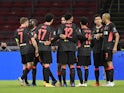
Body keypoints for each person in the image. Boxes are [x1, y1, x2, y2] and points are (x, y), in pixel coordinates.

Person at [52, 13, 79, 87]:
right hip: (71, 48)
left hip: (62, 48)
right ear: (70, 18)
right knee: (71, 66)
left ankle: (64, 83)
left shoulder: (61, 26)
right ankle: (72, 83)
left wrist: (51, 42)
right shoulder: (74, 26)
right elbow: (76, 38)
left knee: (63, 66)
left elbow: (58, 36)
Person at [34, 13, 57, 87]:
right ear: (52, 20)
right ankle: (46, 82)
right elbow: (52, 39)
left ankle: (45, 82)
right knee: (47, 65)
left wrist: (39, 44)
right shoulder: (50, 29)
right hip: (46, 48)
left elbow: (34, 37)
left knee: (44, 65)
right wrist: (50, 43)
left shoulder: (40, 26)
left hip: (40, 47)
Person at [101, 13, 120, 87]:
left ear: (105, 17)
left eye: (102, 17)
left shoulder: (111, 25)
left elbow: (117, 35)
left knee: (109, 63)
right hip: (104, 47)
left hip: (109, 47)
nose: (102, 19)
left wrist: (115, 46)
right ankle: (108, 81)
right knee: (105, 64)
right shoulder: (105, 26)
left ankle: (112, 82)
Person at [76, 17, 92, 87]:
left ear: (80, 23)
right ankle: (85, 82)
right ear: (87, 23)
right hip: (88, 49)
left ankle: (81, 82)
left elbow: (79, 37)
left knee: (78, 66)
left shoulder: (80, 30)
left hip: (82, 50)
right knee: (86, 67)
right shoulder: (89, 30)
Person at [92, 14, 104, 86]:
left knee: (105, 65)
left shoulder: (105, 28)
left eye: (99, 19)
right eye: (96, 19)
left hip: (103, 49)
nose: (98, 20)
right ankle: (97, 82)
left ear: (101, 20)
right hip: (96, 50)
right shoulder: (93, 29)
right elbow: (91, 40)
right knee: (96, 66)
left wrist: (101, 35)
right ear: (94, 21)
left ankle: (108, 81)